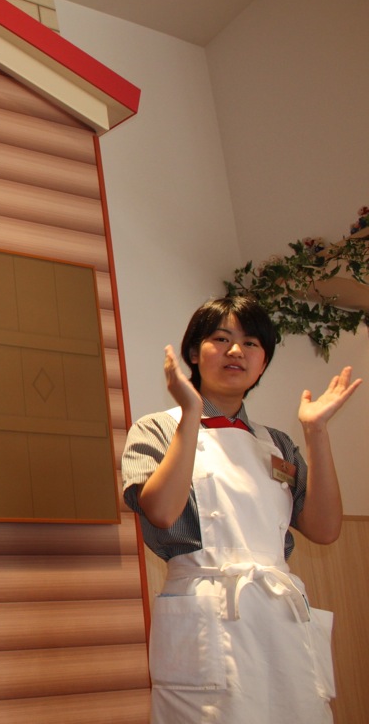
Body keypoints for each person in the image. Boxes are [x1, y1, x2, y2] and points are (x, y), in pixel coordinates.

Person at [121, 295, 361, 723]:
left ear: (263, 363)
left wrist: (316, 432)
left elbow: (324, 529)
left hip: (281, 620)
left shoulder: (277, 443)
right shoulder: (157, 428)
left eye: (251, 343)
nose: (236, 350)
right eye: (221, 338)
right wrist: (191, 413)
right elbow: (162, 512)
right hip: (205, 617)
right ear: (194, 353)